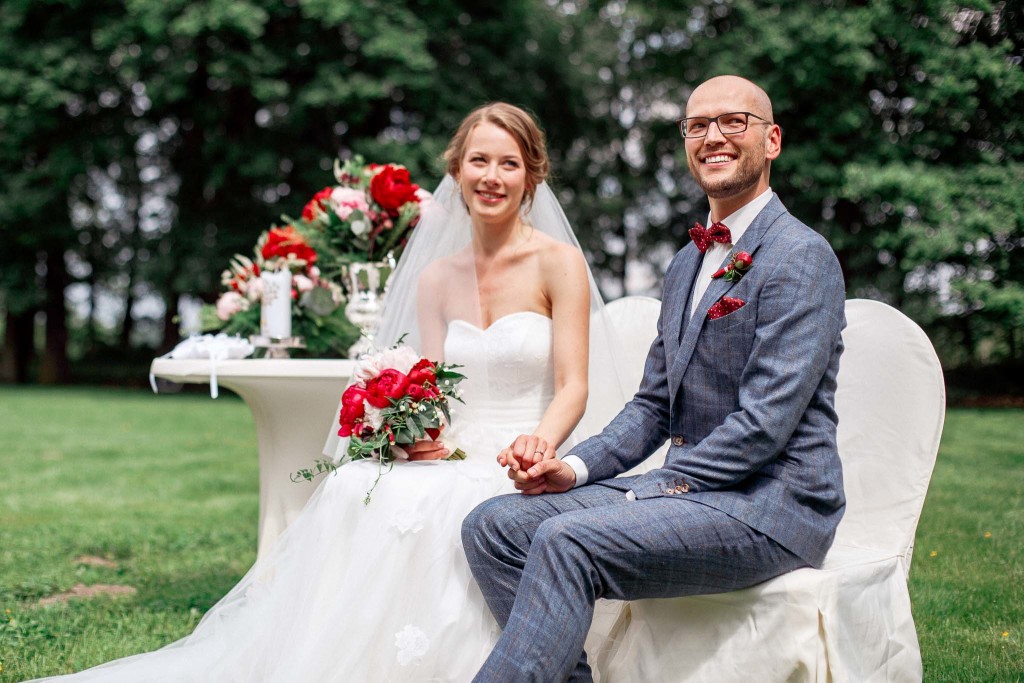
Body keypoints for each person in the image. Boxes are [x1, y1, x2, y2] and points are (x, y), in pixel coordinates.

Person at [28, 103, 631, 682]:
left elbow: (573, 385)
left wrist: (539, 445)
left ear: (531, 175)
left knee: (450, 502)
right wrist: (413, 434)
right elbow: (430, 386)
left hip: (527, 452)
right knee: (350, 486)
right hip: (451, 449)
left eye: (508, 163)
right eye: (478, 161)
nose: (491, 177)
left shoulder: (559, 262)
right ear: (456, 171)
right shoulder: (433, 277)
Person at [462, 75, 848, 682]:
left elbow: (764, 424)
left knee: (569, 540)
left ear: (771, 140)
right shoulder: (684, 264)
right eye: (697, 125)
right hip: (695, 493)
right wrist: (574, 469)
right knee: (494, 525)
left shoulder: (801, 257)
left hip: (772, 508)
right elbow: (652, 407)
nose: (712, 136)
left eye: (733, 122)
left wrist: (650, 488)